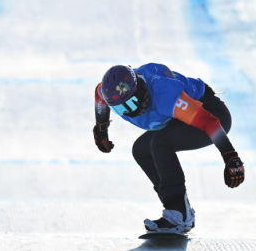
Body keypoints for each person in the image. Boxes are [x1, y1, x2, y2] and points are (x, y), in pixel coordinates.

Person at [94, 63, 245, 234]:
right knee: (141, 150)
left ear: (141, 90)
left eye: (131, 103)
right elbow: (99, 96)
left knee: (160, 142)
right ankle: (177, 209)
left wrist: (231, 157)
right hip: (178, 117)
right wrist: (101, 129)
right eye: (119, 108)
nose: (128, 112)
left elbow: (209, 122)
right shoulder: (110, 92)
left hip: (211, 114)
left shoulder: (165, 95)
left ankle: (179, 214)